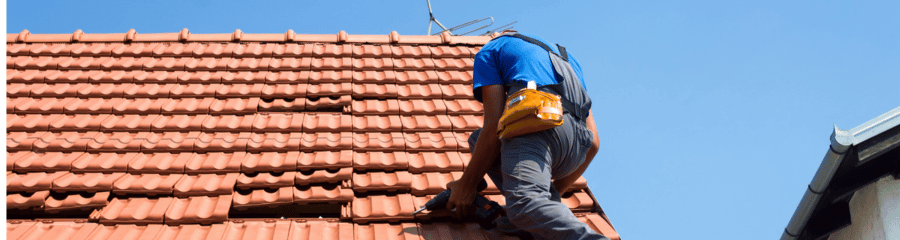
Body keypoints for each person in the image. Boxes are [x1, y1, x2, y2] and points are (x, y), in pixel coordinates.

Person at [445, 31, 607, 240]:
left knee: (523, 205)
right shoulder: (567, 58)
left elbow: (494, 126)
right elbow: (594, 143)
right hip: (576, 149)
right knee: (477, 140)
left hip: (537, 127)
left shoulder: (491, 50)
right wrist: (551, 196)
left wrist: (466, 187)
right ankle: (536, 217)